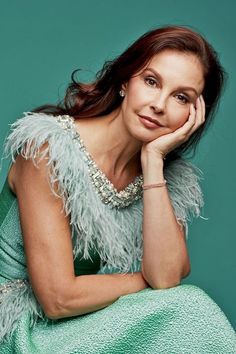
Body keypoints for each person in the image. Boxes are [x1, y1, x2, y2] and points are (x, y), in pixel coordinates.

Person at [0, 25, 235, 353]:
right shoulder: (48, 149)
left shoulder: (164, 175)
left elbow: (167, 277)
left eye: (181, 97)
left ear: (194, 115)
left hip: (72, 325)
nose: (159, 104)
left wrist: (153, 160)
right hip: (15, 326)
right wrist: (144, 280)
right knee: (190, 308)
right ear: (125, 81)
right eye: (151, 82)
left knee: (192, 312)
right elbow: (57, 299)